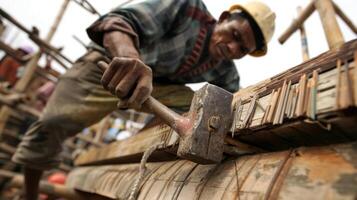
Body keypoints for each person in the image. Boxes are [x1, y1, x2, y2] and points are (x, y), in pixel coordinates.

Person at [12, 0, 275, 199]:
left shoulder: (226, 72)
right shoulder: (186, 7)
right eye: (235, 36)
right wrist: (130, 59)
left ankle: (143, 142)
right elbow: (119, 22)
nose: (232, 48)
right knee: (52, 123)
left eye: (242, 49)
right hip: (105, 65)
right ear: (224, 17)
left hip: (152, 87)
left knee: (197, 104)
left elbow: (231, 104)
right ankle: (30, 194)